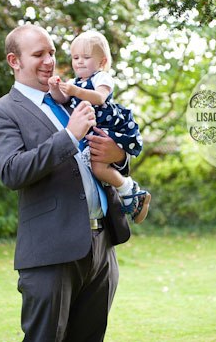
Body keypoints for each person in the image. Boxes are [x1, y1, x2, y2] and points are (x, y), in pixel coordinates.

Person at [0, 24, 132, 341]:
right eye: (38, 54)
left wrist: (119, 156)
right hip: (50, 252)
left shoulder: (71, 100)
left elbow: (108, 152)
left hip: (101, 245)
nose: (49, 61)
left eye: (51, 52)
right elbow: (12, 170)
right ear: (14, 61)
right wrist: (69, 136)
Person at [48, 30, 150, 223]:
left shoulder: (101, 77)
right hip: (91, 129)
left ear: (102, 62)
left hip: (107, 126)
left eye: (86, 57)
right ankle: (130, 193)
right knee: (94, 168)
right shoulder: (74, 82)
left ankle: (129, 190)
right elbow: (61, 99)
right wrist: (55, 87)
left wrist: (76, 91)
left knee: (98, 167)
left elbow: (100, 97)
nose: (79, 62)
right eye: (75, 57)